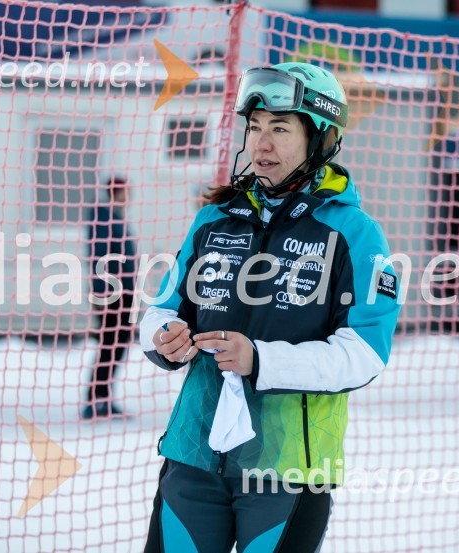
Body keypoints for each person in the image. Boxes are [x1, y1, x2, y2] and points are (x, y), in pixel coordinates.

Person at [140, 62, 401, 552]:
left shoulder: (355, 234)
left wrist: (261, 359)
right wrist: (164, 336)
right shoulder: (213, 220)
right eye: (255, 127)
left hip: (288, 469)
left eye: (280, 129)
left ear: (321, 138)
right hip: (193, 459)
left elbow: (364, 353)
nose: (261, 143)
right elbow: (161, 309)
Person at [82, 176, 137, 419]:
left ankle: (103, 397)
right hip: (111, 293)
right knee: (109, 345)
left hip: (123, 291)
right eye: (127, 191)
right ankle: (95, 400)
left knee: (117, 345)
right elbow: (102, 256)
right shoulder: (104, 217)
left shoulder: (115, 217)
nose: (130, 196)